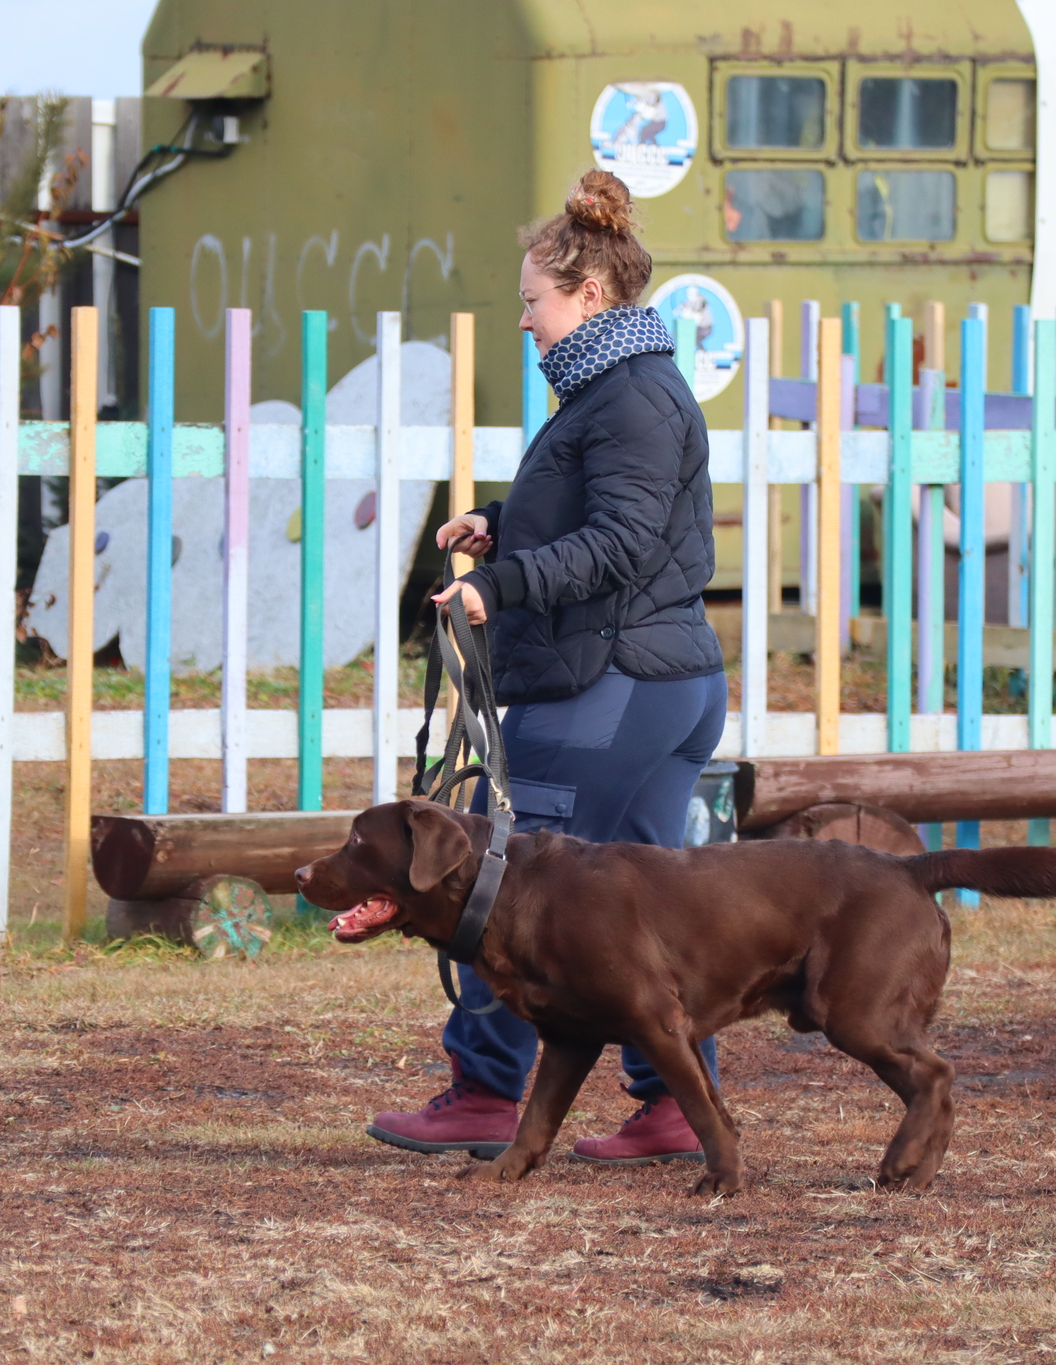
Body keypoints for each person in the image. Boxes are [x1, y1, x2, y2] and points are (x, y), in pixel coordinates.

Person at [366, 169, 728, 1167]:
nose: (523, 322)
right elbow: (615, 523)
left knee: (503, 885)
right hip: (655, 684)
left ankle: (485, 1093)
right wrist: (501, 525)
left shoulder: (628, 402)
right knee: (646, 910)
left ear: (589, 296)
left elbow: (617, 543)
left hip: (607, 687)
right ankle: (667, 1107)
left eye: (532, 301)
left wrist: (501, 585)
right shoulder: (620, 392)